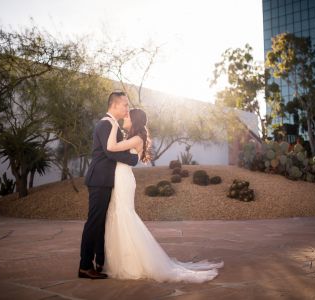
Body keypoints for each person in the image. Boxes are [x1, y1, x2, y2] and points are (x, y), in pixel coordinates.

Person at [102, 108, 224, 283]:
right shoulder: (133, 136)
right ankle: (122, 261)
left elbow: (111, 147)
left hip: (124, 179)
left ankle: (132, 264)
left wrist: (113, 123)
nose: (124, 117)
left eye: (127, 115)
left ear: (134, 120)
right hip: (120, 177)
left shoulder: (136, 138)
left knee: (124, 216)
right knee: (117, 215)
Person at [79, 91, 138, 279]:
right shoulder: (106, 124)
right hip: (99, 180)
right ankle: (84, 266)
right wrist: (133, 158)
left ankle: (99, 262)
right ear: (114, 105)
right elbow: (110, 152)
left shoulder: (112, 125)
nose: (127, 108)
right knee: (94, 223)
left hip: (107, 180)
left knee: (101, 222)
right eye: (125, 105)